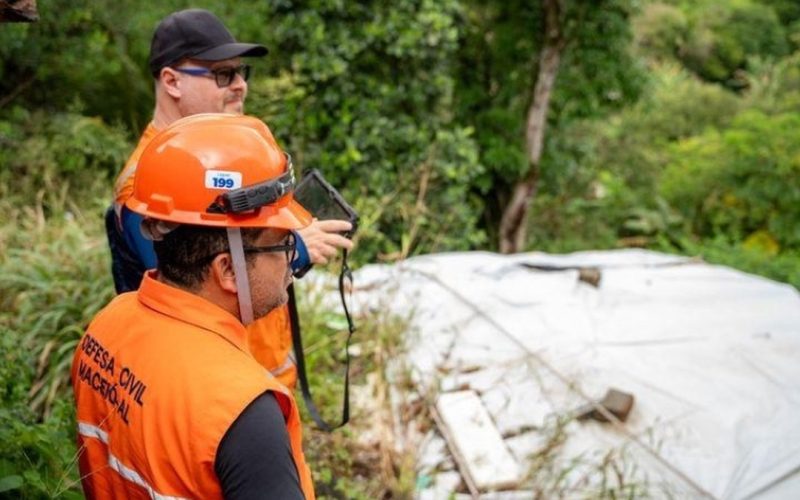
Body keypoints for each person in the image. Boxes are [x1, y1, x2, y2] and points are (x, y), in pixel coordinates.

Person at [106, 8, 352, 387]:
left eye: (241, 72)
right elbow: (190, 290)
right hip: (213, 389)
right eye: (223, 74)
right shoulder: (145, 183)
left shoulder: (215, 157)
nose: (240, 85)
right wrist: (294, 250)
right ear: (171, 81)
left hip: (258, 375)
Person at [74, 114, 316, 498]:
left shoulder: (107, 325)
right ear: (227, 269)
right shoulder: (244, 412)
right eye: (284, 244)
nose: (292, 260)